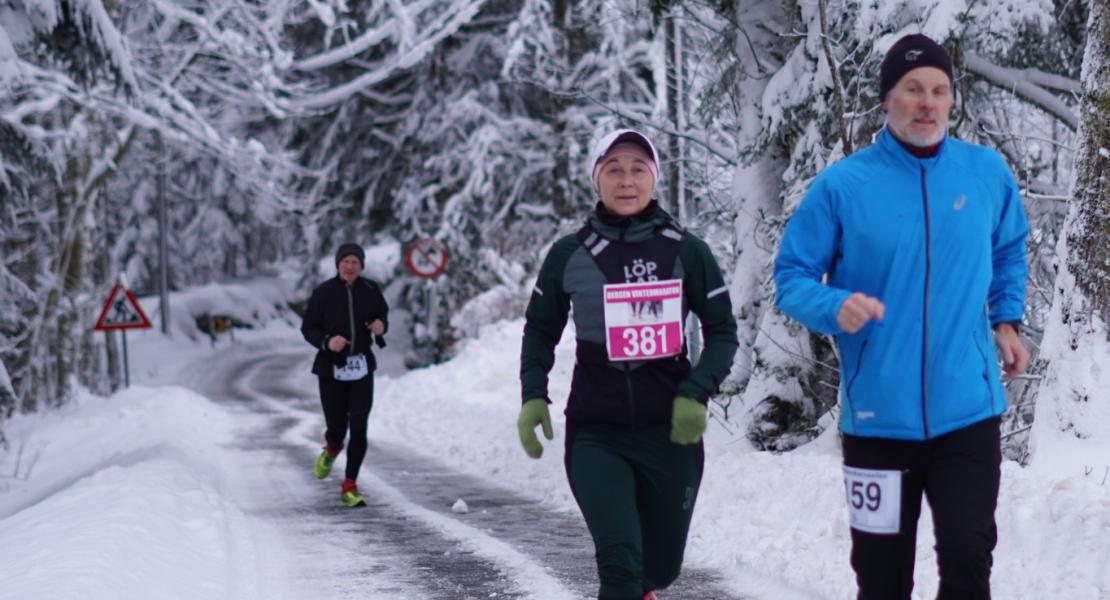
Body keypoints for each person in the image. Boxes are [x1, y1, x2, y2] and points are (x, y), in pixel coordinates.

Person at [774, 34, 1030, 599]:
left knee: (968, 560)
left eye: (939, 90)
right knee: (883, 580)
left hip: (968, 412)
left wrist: (1007, 320)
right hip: (876, 421)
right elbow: (791, 277)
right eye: (913, 89)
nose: (928, 103)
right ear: (886, 98)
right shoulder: (843, 186)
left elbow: (1010, 248)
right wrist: (834, 305)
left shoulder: (985, 173)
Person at [518, 128, 738, 600]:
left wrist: (697, 390)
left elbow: (723, 331)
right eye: (614, 169)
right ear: (596, 179)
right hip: (596, 433)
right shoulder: (569, 254)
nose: (626, 181)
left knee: (659, 568)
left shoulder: (687, 250)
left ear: (654, 178)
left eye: (638, 169)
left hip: (670, 432)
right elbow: (539, 330)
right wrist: (533, 394)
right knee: (620, 565)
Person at [301, 242, 389, 507]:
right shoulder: (324, 292)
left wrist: (380, 326)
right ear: (338, 265)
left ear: (361, 266)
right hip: (332, 369)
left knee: (359, 426)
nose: (350, 267)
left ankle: (350, 484)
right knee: (337, 427)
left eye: (355, 262)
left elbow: (382, 318)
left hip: (361, 367)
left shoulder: (371, 290)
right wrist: (328, 342)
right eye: (345, 262)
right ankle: (332, 447)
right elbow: (308, 328)